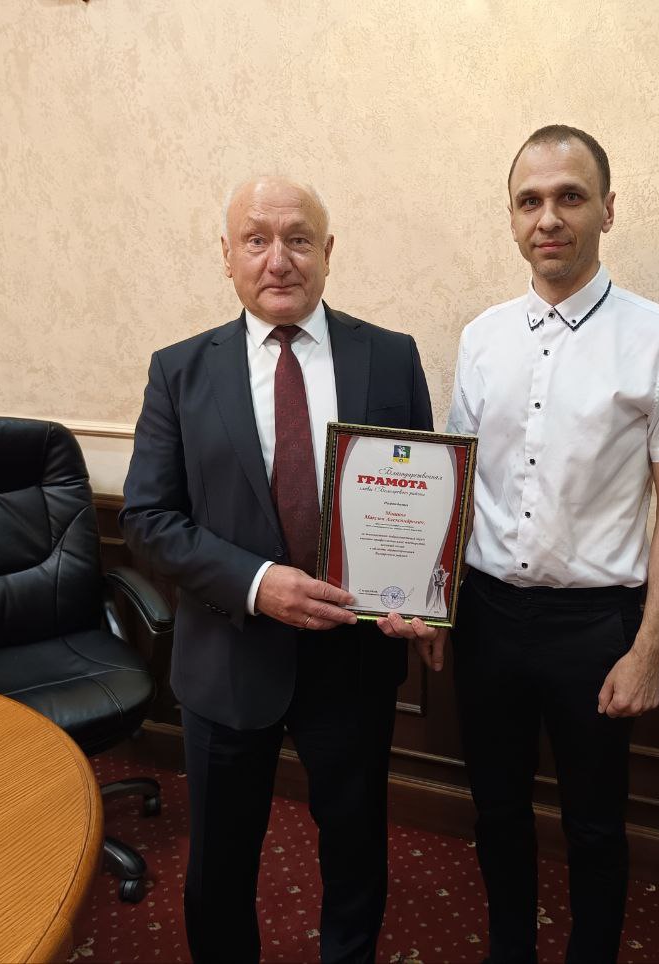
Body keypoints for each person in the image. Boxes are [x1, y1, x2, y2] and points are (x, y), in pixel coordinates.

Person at [387, 125, 659, 963]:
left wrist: (650, 651)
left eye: (570, 196)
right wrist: (433, 604)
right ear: (511, 219)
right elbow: (457, 481)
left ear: (607, 209)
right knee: (496, 811)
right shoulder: (482, 337)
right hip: (488, 619)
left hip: (597, 627)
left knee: (595, 826)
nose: (549, 218)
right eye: (529, 201)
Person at [120, 176, 432, 964]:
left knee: (356, 852)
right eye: (256, 240)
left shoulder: (391, 357)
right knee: (220, 866)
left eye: (297, 239)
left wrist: (419, 591)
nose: (278, 259)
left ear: (327, 252)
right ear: (227, 256)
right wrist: (259, 584)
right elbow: (148, 520)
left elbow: (420, 501)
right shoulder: (178, 371)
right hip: (227, 659)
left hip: (353, 660)